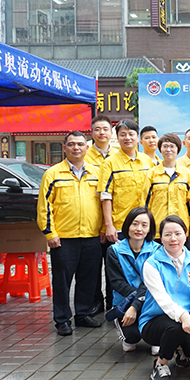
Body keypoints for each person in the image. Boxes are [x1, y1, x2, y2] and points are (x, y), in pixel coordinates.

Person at [37, 131, 103, 335]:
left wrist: (102, 228)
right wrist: (50, 234)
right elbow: (44, 207)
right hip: (64, 238)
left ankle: (83, 314)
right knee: (62, 281)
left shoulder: (96, 173)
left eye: (80, 144)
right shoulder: (53, 174)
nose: (76, 148)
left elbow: (104, 204)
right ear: (64, 147)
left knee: (88, 279)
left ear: (87, 148)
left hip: (91, 236)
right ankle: (62, 319)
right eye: (72, 144)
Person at [140, 215, 190, 380]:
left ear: (185, 234)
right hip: (155, 320)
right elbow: (163, 300)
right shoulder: (151, 264)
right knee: (175, 326)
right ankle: (161, 363)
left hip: (188, 319)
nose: (173, 238)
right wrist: (183, 316)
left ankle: (180, 349)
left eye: (178, 233)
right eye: (167, 234)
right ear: (161, 237)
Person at [105, 207, 160, 354]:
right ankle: (127, 334)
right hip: (125, 302)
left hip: (150, 302)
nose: (139, 229)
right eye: (135, 224)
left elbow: (151, 282)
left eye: (144, 225)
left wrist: (136, 305)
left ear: (150, 229)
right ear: (127, 225)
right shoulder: (114, 250)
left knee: (156, 344)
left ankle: (156, 336)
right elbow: (116, 282)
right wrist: (134, 302)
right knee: (132, 338)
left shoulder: (157, 250)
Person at [98, 119, 153, 243]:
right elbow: (105, 196)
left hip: (145, 224)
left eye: (131, 134)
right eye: (123, 135)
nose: (127, 138)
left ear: (137, 137)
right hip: (120, 225)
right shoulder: (109, 163)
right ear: (117, 137)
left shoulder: (146, 160)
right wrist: (108, 225)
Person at [84, 115, 117, 315]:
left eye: (105, 129)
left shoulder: (119, 155)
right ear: (92, 132)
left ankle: (113, 301)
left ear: (111, 132)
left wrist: (109, 224)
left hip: (114, 222)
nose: (102, 133)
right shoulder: (84, 156)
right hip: (92, 221)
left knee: (114, 265)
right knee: (93, 266)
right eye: (97, 129)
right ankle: (96, 301)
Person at [142, 133, 190, 239]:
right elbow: (145, 203)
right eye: (165, 146)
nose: (168, 150)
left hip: (181, 229)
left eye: (172, 146)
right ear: (160, 150)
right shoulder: (152, 173)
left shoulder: (187, 174)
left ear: (178, 150)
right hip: (157, 229)